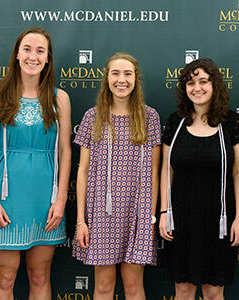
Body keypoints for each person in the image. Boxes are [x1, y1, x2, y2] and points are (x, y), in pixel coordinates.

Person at [0, 27, 71, 300]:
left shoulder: (59, 98)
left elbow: (65, 151)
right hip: (5, 196)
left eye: (40, 51)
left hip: (47, 198)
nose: (33, 56)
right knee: (5, 277)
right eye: (27, 49)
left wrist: (62, 198)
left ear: (48, 58)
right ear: (17, 54)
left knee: (40, 275)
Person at [73, 52, 161, 300]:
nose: (122, 80)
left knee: (133, 286)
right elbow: (83, 170)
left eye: (128, 74)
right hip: (101, 213)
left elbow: (154, 172)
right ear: (106, 78)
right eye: (116, 73)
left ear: (136, 79)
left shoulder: (149, 117)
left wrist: (150, 217)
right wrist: (81, 220)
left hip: (138, 212)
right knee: (103, 286)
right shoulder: (92, 116)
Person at [159, 58, 239, 300]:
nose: (196, 88)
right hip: (181, 217)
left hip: (219, 218)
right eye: (190, 82)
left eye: (203, 81)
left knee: (213, 291)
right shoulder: (175, 121)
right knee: (184, 290)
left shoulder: (231, 122)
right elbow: (167, 170)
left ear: (214, 85)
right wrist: (164, 212)